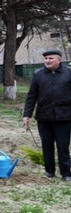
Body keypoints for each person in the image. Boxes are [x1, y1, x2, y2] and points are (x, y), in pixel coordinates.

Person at [22, 49, 71, 181]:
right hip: (44, 116)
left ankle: (66, 173)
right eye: (46, 59)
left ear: (59, 60)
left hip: (64, 117)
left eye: (51, 58)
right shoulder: (38, 74)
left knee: (63, 145)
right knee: (46, 145)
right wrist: (27, 115)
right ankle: (49, 171)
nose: (47, 61)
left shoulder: (68, 73)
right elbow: (31, 96)